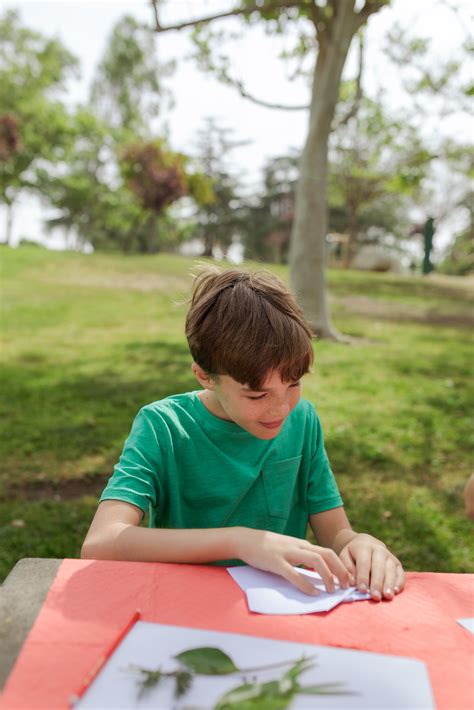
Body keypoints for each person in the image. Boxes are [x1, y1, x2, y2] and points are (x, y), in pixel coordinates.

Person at [82, 267, 405, 601]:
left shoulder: (303, 419)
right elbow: (101, 543)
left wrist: (360, 543)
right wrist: (240, 540)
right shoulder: (162, 426)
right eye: (256, 395)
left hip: (277, 613)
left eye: (293, 384)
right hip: (182, 607)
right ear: (204, 376)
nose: (281, 409)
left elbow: (336, 533)